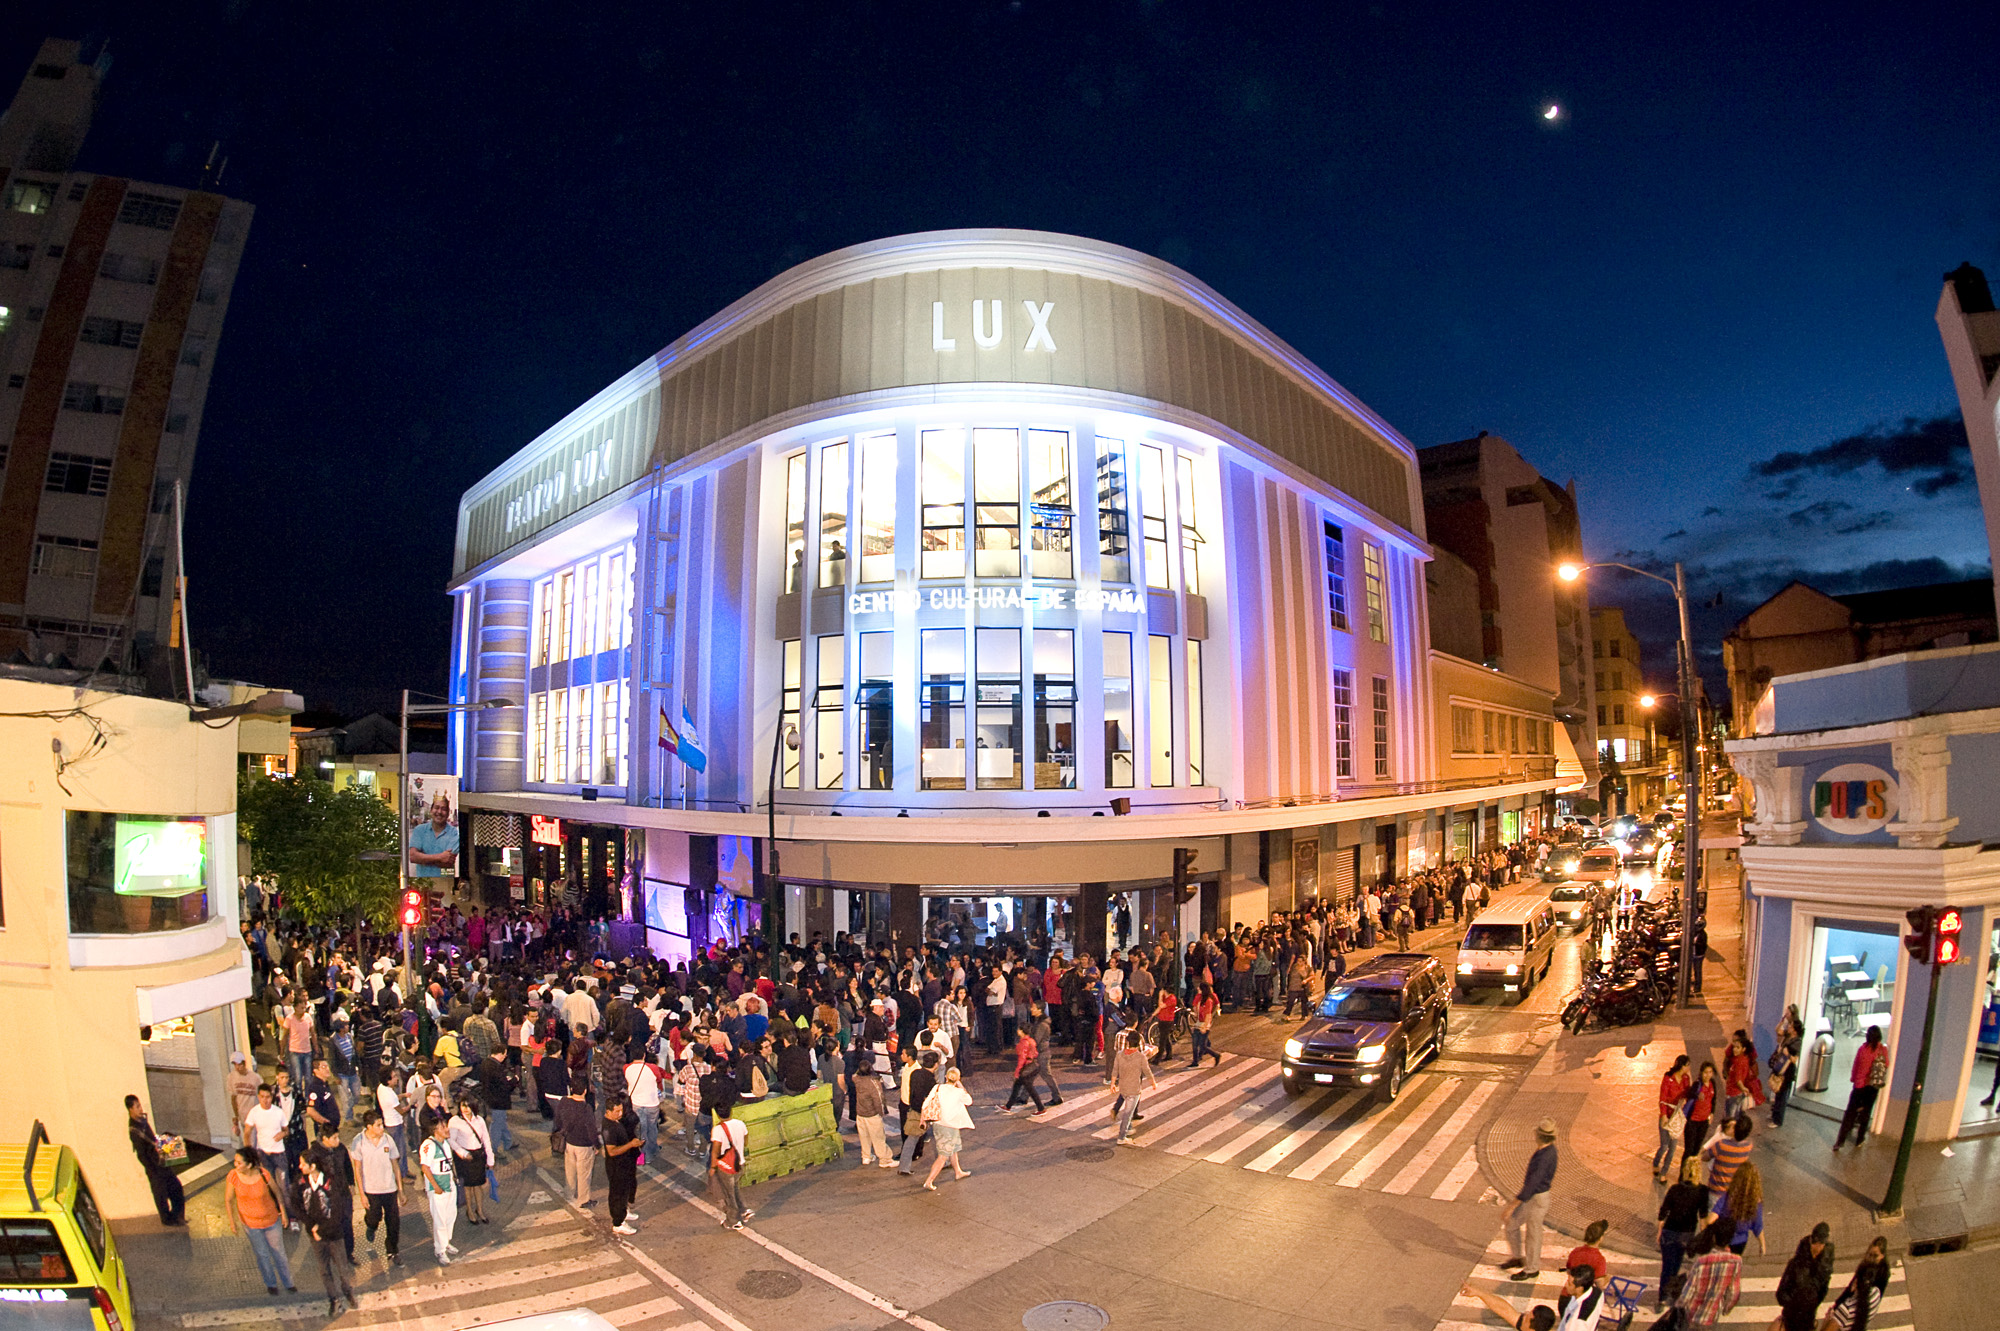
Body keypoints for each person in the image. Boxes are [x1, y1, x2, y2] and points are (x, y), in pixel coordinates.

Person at [223, 1147, 296, 1297]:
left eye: (239, 1162)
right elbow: (228, 1199)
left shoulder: (264, 1174)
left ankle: (288, 1283)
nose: (235, 1165)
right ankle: (271, 1284)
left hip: (271, 1221)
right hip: (250, 1224)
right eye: (235, 1162)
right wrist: (232, 1221)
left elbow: (277, 1194)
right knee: (262, 1255)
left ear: (249, 1165)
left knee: (279, 1254)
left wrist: (283, 1214)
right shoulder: (233, 1177)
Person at [299, 1153, 357, 1316]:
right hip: (315, 1237)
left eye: (303, 1164)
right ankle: (333, 1299)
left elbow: (337, 1211)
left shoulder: (331, 1183)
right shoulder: (301, 1183)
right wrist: (312, 1227)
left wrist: (320, 1230)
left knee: (342, 1267)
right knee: (324, 1270)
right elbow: (298, 1207)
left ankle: (348, 1293)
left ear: (313, 1167)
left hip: (333, 1234)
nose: (299, 1167)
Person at [1502, 1118, 1559, 1282]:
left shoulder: (1545, 1157)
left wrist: (1512, 1205)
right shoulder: (1546, 1150)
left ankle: (1532, 1269)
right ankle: (1517, 1257)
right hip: (1534, 1196)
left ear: (1539, 1136)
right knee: (1512, 1225)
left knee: (1533, 1235)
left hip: (1537, 1198)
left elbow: (1532, 1184)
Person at [349, 1111, 404, 1266]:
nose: (382, 1127)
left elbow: (395, 1166)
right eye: (378, 1125)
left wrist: (400, 1190)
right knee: (374, 1217)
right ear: (369, 1127)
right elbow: (357, 1170)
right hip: (371, 1190)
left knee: (393, 1222)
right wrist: (362, 1195)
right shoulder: (358, 1142)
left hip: (389, 1188)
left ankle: (392, 1250)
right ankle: (370, 1225)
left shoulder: (388, 1140)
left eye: (382, 1124)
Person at [124, 1095, 184, 1226]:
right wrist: (153, 1169)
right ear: (130, 1109)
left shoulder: (142, 1121)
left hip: (160, 1161)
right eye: (137, 1106)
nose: (140, 1109)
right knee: (161, 1195)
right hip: (155, 1168)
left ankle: (177, 1216)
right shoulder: (134, 1130)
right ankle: (168, 1220)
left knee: (176, 1188)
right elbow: (141, 1155)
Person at [1658, 1156, 1709, 1308]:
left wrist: (1659, 1232)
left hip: (1670, 1230)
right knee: (1676, 1264)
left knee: (1666, 1266)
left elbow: (1663, 1212)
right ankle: (1672, 1295)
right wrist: (1703, 1237)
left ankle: (1662, 1297)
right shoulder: (1702, 1191)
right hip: (1686, 1233)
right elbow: (1703, 1216)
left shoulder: (1675, 1189)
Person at [1672, 1228, 1742, 1330]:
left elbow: (1688, 1291)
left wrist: (1678, 1305)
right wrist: (1726, 1309)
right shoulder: (1736, 1261)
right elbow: (1734, 1293)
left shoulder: (1702, 1261)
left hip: (1693, 1314)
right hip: (1712, 1314)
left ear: (1713, 1238)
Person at [919, 1066, 976, 1191]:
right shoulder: (959, 1092)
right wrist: (960, 1084)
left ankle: (958, 1172)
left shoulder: (938, 1087)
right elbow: (969, 1101)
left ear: (946, 1077)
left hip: (939, 1123)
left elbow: (926, 1103)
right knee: (943, 1155)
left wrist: (923, 1119)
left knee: (953, 1149)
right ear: (958, 1079)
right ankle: (929, 1181)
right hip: (950, 1126)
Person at [1833, 1027, 1888, 1151]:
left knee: (1850, 1112)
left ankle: (1840, 1140)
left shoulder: (1863, 1049)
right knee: (1866, 1113)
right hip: (1873, 1086)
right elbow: (1887, 1064)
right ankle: (1859, 1139)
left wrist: (1853, 1079)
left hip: (1859, 1086)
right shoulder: (1882, 1050)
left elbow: (1856, 1065)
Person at [1773, 1222, 1835, 1331]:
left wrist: (1812, 1305)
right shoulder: (1796, 1264)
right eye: (1817, 1243)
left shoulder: (1825, 1265)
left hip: (1808, 1318)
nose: (1819, 1247)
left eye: (1822, 1244)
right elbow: (1781, 1294)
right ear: (1812, 1242)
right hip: (1792, 1319)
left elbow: (1823, 1289)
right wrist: (1796, 1305)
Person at [1819, 1237, 1889, 1331]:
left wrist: (1826, 1321)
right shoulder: (1875, 1293)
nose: (1871, 1259)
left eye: (1875, 1255)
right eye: (1870, 1254)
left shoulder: (1845, 1310)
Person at [417, 1116, 461, 1265]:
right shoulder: (429, 1145)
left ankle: (446, 1242)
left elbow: (449, 1163)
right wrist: (435, 1186)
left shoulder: (446, 1143)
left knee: (450, 1215)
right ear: (435, 1130)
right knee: (440, 1219)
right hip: (438, 1189)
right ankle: (440, 1250)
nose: (447, 1129)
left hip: (449, 1185)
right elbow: (425, 1167)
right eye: (443, 1127)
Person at [242, 1084, 293, 1203]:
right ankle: (277, 1210)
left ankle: (291, 1215)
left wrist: (283, 1134)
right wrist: (249, 1152)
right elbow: (247, 1132)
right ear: (258, 1097)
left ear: (272, 1097)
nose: (265, 1100)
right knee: (270, 1186)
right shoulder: (254, 1112)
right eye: (262, 1097)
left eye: (268, 1097)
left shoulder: (278, 1112)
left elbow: (287, 1130)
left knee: (284, 1186)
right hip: (263, 1154)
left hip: (279, 1153)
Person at [553, 1083, 601, 1209]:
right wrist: (597, 1145)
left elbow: (557, 1119)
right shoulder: (586, 1108)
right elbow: (592, 1129)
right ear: (584, 1091)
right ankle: (583, 1200)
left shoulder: (564, 1101)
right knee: (584, 1174)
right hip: (584, 1145)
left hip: (569, 1142)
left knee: (570, 1171)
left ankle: (569, 1193)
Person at [447, 1097, 494, 1225]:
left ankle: (479, 1210)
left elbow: (486, 1140)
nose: (465, 1109)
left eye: (468, 1106)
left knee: (478, 1184)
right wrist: (463, 1153)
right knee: (467, 1186)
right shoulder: (455, 1121)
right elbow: (451, 1140)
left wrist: (490, 1160)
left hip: (478, 1155)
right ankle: (469, 1211)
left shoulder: (479, 1120)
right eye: (463, 1106)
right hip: (464, 1157)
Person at [1109, 1027, 1158, 1145]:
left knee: (1128, 1108)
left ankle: (1129, 1128)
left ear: (1128, 1042)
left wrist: (1112, 1084)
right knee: (1128, 1113)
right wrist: (1153, 1083)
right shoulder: (1140, 1057)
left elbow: (1115, 1069)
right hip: (1134, 1089)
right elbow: (1147, 1071)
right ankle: (1122, 1136)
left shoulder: (1120, 1054)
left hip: (1123, 1087)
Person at [602, 1098, 642, 1236]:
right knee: (617, 1194)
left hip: (624, 1164)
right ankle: (618, 1222)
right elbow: (611, 1151)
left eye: (621, 1110)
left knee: (624, 1190)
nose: (620, 1113)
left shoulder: (615, 1122)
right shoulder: (609, 1128)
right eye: (617, 1111)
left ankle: (624, 1212)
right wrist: (631, 1145)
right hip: (616, 1167)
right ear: (608, 1111)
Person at [709, 1101, 751, 1229]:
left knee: (729, 1194)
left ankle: (733, 1221)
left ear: (717, 1114)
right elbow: (746, 1142)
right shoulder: (740, 1124)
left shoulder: (718, 1129)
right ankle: (744, 1210)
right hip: (740, 1162)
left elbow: (716, 1149)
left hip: (726, 1167)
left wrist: (713, 1166)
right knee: (735, 1188)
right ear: (731, 1111)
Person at [851, 1056, 894, 1167]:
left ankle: (866, 1156)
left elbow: (855, 1074)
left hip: (860, 1113)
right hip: (872, 1114)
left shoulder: (856, 1079)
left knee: (864, 1137)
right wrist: (882, 1112)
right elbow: (878, 1099)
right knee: (878, 1138)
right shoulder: (873, 1083)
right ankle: (885, 1159)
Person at [1717, 1162, 1766, 1256]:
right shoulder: (1755, 1202)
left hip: (1722, 1238)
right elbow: (1758, 1225)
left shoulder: (1729, 1195)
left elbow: (1715, 1213)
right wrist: (1762, 1244)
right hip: (1740, 1242)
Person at [1656, 1054, 1692, 1181]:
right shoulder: (1668, 1078)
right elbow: (1663, 1097)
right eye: (1688, 1065)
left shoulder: (1686, 1079)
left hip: (1676, 1117)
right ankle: (1656, 1162)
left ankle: (1663, 1173)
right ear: (1682, 1066)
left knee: (1673, 1148)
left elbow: (1688, 1094)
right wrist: (1664, 1115)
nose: (1689, 1068)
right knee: (1664, 1145)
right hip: (1667, 1115)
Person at [409, 792, 460, 876]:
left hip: (446, 879)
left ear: (448, 813)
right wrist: (440, 857)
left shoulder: (454, 833)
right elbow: (413, 857)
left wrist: (422, 858)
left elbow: (447, 862)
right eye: (436, 808)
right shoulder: (419, 830)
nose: (439, 812)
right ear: (431, 810)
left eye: (443, 809)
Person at [1770, 1008, 1804, 1128]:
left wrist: (1786, 1054)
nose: (1788, 1027)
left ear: (1794, 1030)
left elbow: (1795, 1059)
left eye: (1790, 1026)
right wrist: (1783, 1019)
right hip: (1780, 1067)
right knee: (1777, 1092)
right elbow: (1777, 1031)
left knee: (1782, 1095)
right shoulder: (1788, 1037)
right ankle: (1774, 1115)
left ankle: (1777, 1120)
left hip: (1787, 1071)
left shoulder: (1797, 1042)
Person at [1004, 1024, 1046, 1114]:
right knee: (1017, 1086)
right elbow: (1036, 1053)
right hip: (1033, 1066)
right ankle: (1008, 1106)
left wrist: (1017, 1071)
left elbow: (1022, 1058)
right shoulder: (1031, 1041)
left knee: (1029, 1088)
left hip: (1027, 1068)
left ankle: (1041, 1108)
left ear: (1022, 1031)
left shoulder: (1023, 1043)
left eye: (1019, 1029)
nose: (1017, 1031)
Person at [1683, 1061, 1719, 1164]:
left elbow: (1714, 1100)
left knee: (1696, 1150)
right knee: (1689, 1150)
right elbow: (1689, 1094)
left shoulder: (1712, 1084)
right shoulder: (1697, 1084)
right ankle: (1683, 1176)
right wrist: (1696, 1095)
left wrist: (1712, 1113)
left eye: (1710, 1072)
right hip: (1693, 1121)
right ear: (1701, 1073)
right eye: (1705, 1072)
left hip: (1704, 1122)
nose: (1708, 1075)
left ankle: (1692, 1176)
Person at [1564, 1219, 1609, 1288]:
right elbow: (1600, 1284)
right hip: (1583, 1295)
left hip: (1568, 1291)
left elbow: (1569, 1270)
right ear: (1601, 1238)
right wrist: (1607, 1278)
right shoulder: (1599, 1260)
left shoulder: (1576, 1251)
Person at [1188, 981, 1222, 1068]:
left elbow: (1208, 1015)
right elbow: (1195, 1007)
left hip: (1205, 1023)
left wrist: (1205, 1026)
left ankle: (1216, 1055)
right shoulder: (1199, 997)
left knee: (1202, 1046)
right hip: (1199, 1021)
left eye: (1199, 988)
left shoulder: (1209, 1000)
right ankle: (1195, 1061)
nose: (1197, 989)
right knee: (1195, 1043)